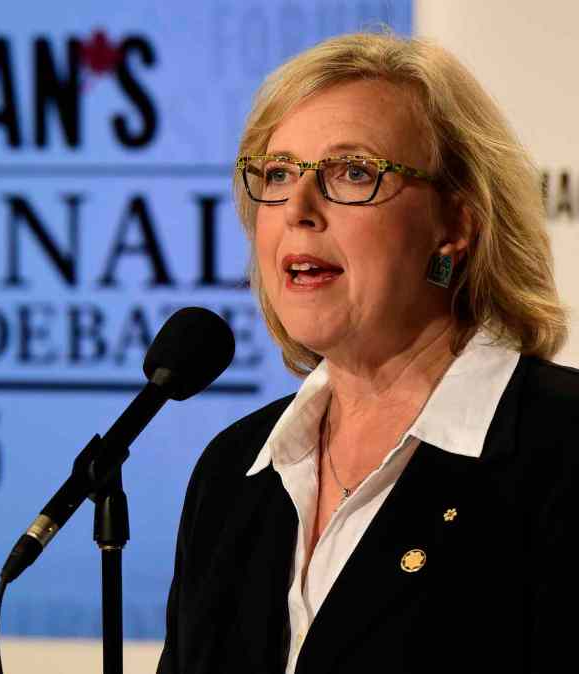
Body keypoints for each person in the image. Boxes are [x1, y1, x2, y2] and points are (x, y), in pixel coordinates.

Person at [157, 32, 578, 674]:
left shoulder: (561, 448)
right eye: (277, 173)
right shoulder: (232, 474)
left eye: (353, 171)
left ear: (455, 226)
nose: (298, 208)